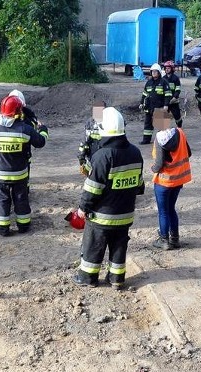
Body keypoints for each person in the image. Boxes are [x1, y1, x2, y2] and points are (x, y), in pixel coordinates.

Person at [72, 107, 144, 290]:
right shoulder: (136, 153)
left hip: (102, 216)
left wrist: (82, 208)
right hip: (125, 214)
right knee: (119, 246)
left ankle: (87, 277)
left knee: (93, 245)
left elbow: (92, 189)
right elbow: (139, 186)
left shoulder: (102, 156)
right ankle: (117, 279)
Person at [0, 95, 48, 236]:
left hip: (0, 174)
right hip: (20, 173)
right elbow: (41, 142)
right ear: (18, 111)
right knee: (21, 198)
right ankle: (23, 226)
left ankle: (2, 228)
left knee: (1, 199)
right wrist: (43, 129)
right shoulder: (25, 129)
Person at [151, 127, 192, 250]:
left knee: (163, 212)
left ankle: (164, 240)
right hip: (178, 180)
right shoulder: (180, 132)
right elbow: (188, 153)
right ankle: (175, 239)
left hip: (164, 182)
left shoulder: (159, 139)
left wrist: (153, 169)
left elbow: (158, 164)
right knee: (171, 209)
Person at [138, 63, 168, 145]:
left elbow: (167, 95)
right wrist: (141, 103)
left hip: (159, 107)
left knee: (161, 125)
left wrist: (166, 105)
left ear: (159, 72)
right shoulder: (148, 82)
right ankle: (146, 140)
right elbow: (144, 94)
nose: (154, 73)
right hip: (149, 107)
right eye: (152, 71)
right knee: (148, 124)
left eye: (155, 71)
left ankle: (162, 141)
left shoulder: (163, 82)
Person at [77, 102, 106, 176]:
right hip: (98, 154)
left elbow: (85, 140)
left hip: (97, 154)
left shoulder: (91, 122)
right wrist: (82, 156)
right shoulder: (90, 122)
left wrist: (82, 156)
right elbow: (85, 141)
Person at [162, 60, 183, 128]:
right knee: (163, 117)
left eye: (168, 68)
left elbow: (178, 89)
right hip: (165, 102)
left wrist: (175, 97)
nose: (167, 69)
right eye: (166, 68)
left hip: (174, 101)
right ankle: (162, 131)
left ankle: (179, 127)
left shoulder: (175, 78)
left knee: (177, 117)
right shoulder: (163, 79)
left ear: (172, 69)